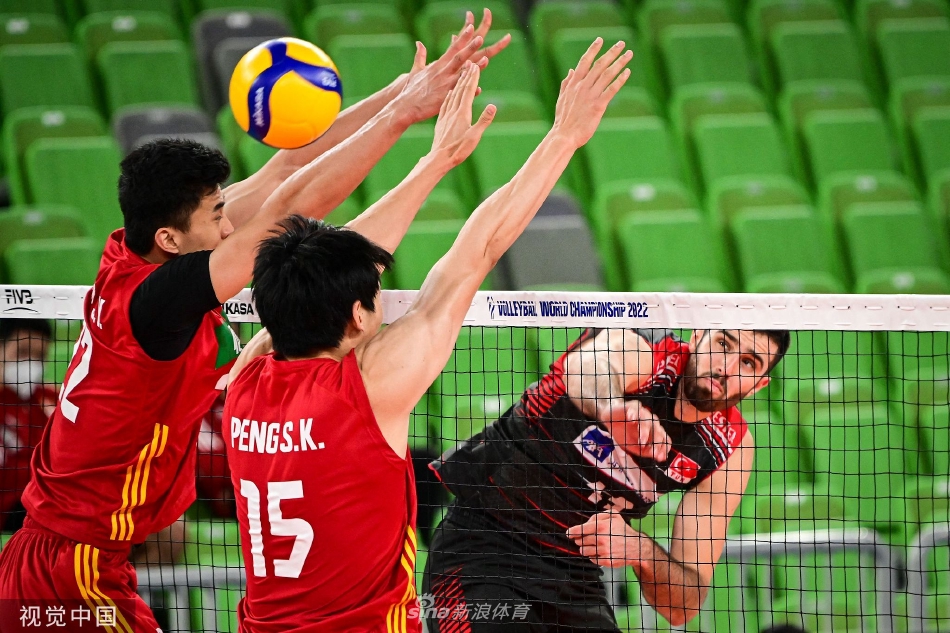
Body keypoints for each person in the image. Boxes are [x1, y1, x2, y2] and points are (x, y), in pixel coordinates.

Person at [0, 18, 508, 630]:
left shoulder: (139, 252)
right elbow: (291, 211)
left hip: (78, 555)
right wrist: (413, 132)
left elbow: (281, 173)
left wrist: (403, 95)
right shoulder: (155, 302)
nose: (227, 224)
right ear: (170, 237)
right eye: (217, 215)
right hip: (69, 567)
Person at [223, 40, 631, 632]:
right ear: (357, 317)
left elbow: (312, 269)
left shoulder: (245, 378)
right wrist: (564, 135)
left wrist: (435, 163)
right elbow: (478, 248)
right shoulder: (371, 386)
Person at [424, 326, 790, 630]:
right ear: (697, 337)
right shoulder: (646, 351)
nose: (726, 367)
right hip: (482, 546)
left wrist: (641, 551)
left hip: (573, 576)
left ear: (759, 384)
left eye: (748, 362)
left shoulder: (729, 448)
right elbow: (589, 366)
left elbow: (682, 607)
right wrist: (612, 409)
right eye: (723, 343)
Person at [0, 319, 54, 533]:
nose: (30, 362)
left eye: (40, 356)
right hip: (11, 509)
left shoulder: (52, 401)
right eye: (22, 352)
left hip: (44, 502)